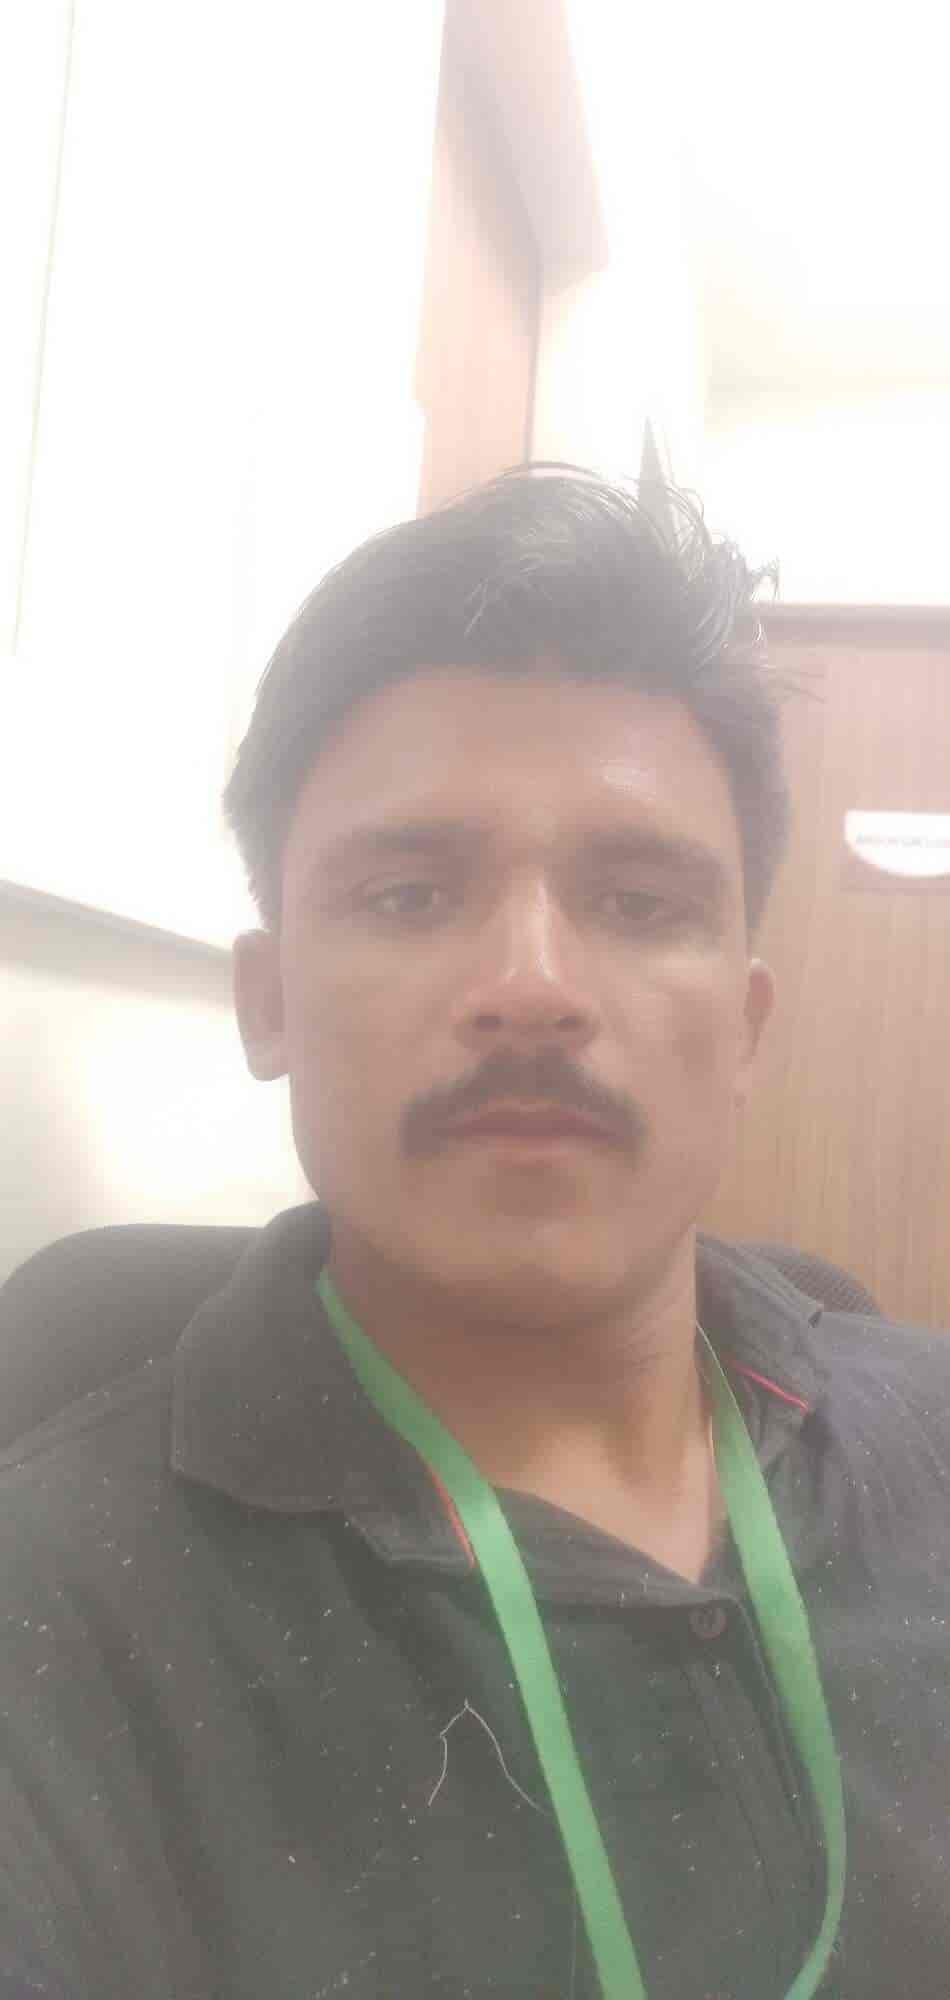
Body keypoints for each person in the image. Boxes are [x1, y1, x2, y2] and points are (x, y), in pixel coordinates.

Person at [1, 466, 949, 2000]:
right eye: (408, 893)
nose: (532, 988)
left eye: (636, 904)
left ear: (744, 1024)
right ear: (267, 1004)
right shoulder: (50, 1617)